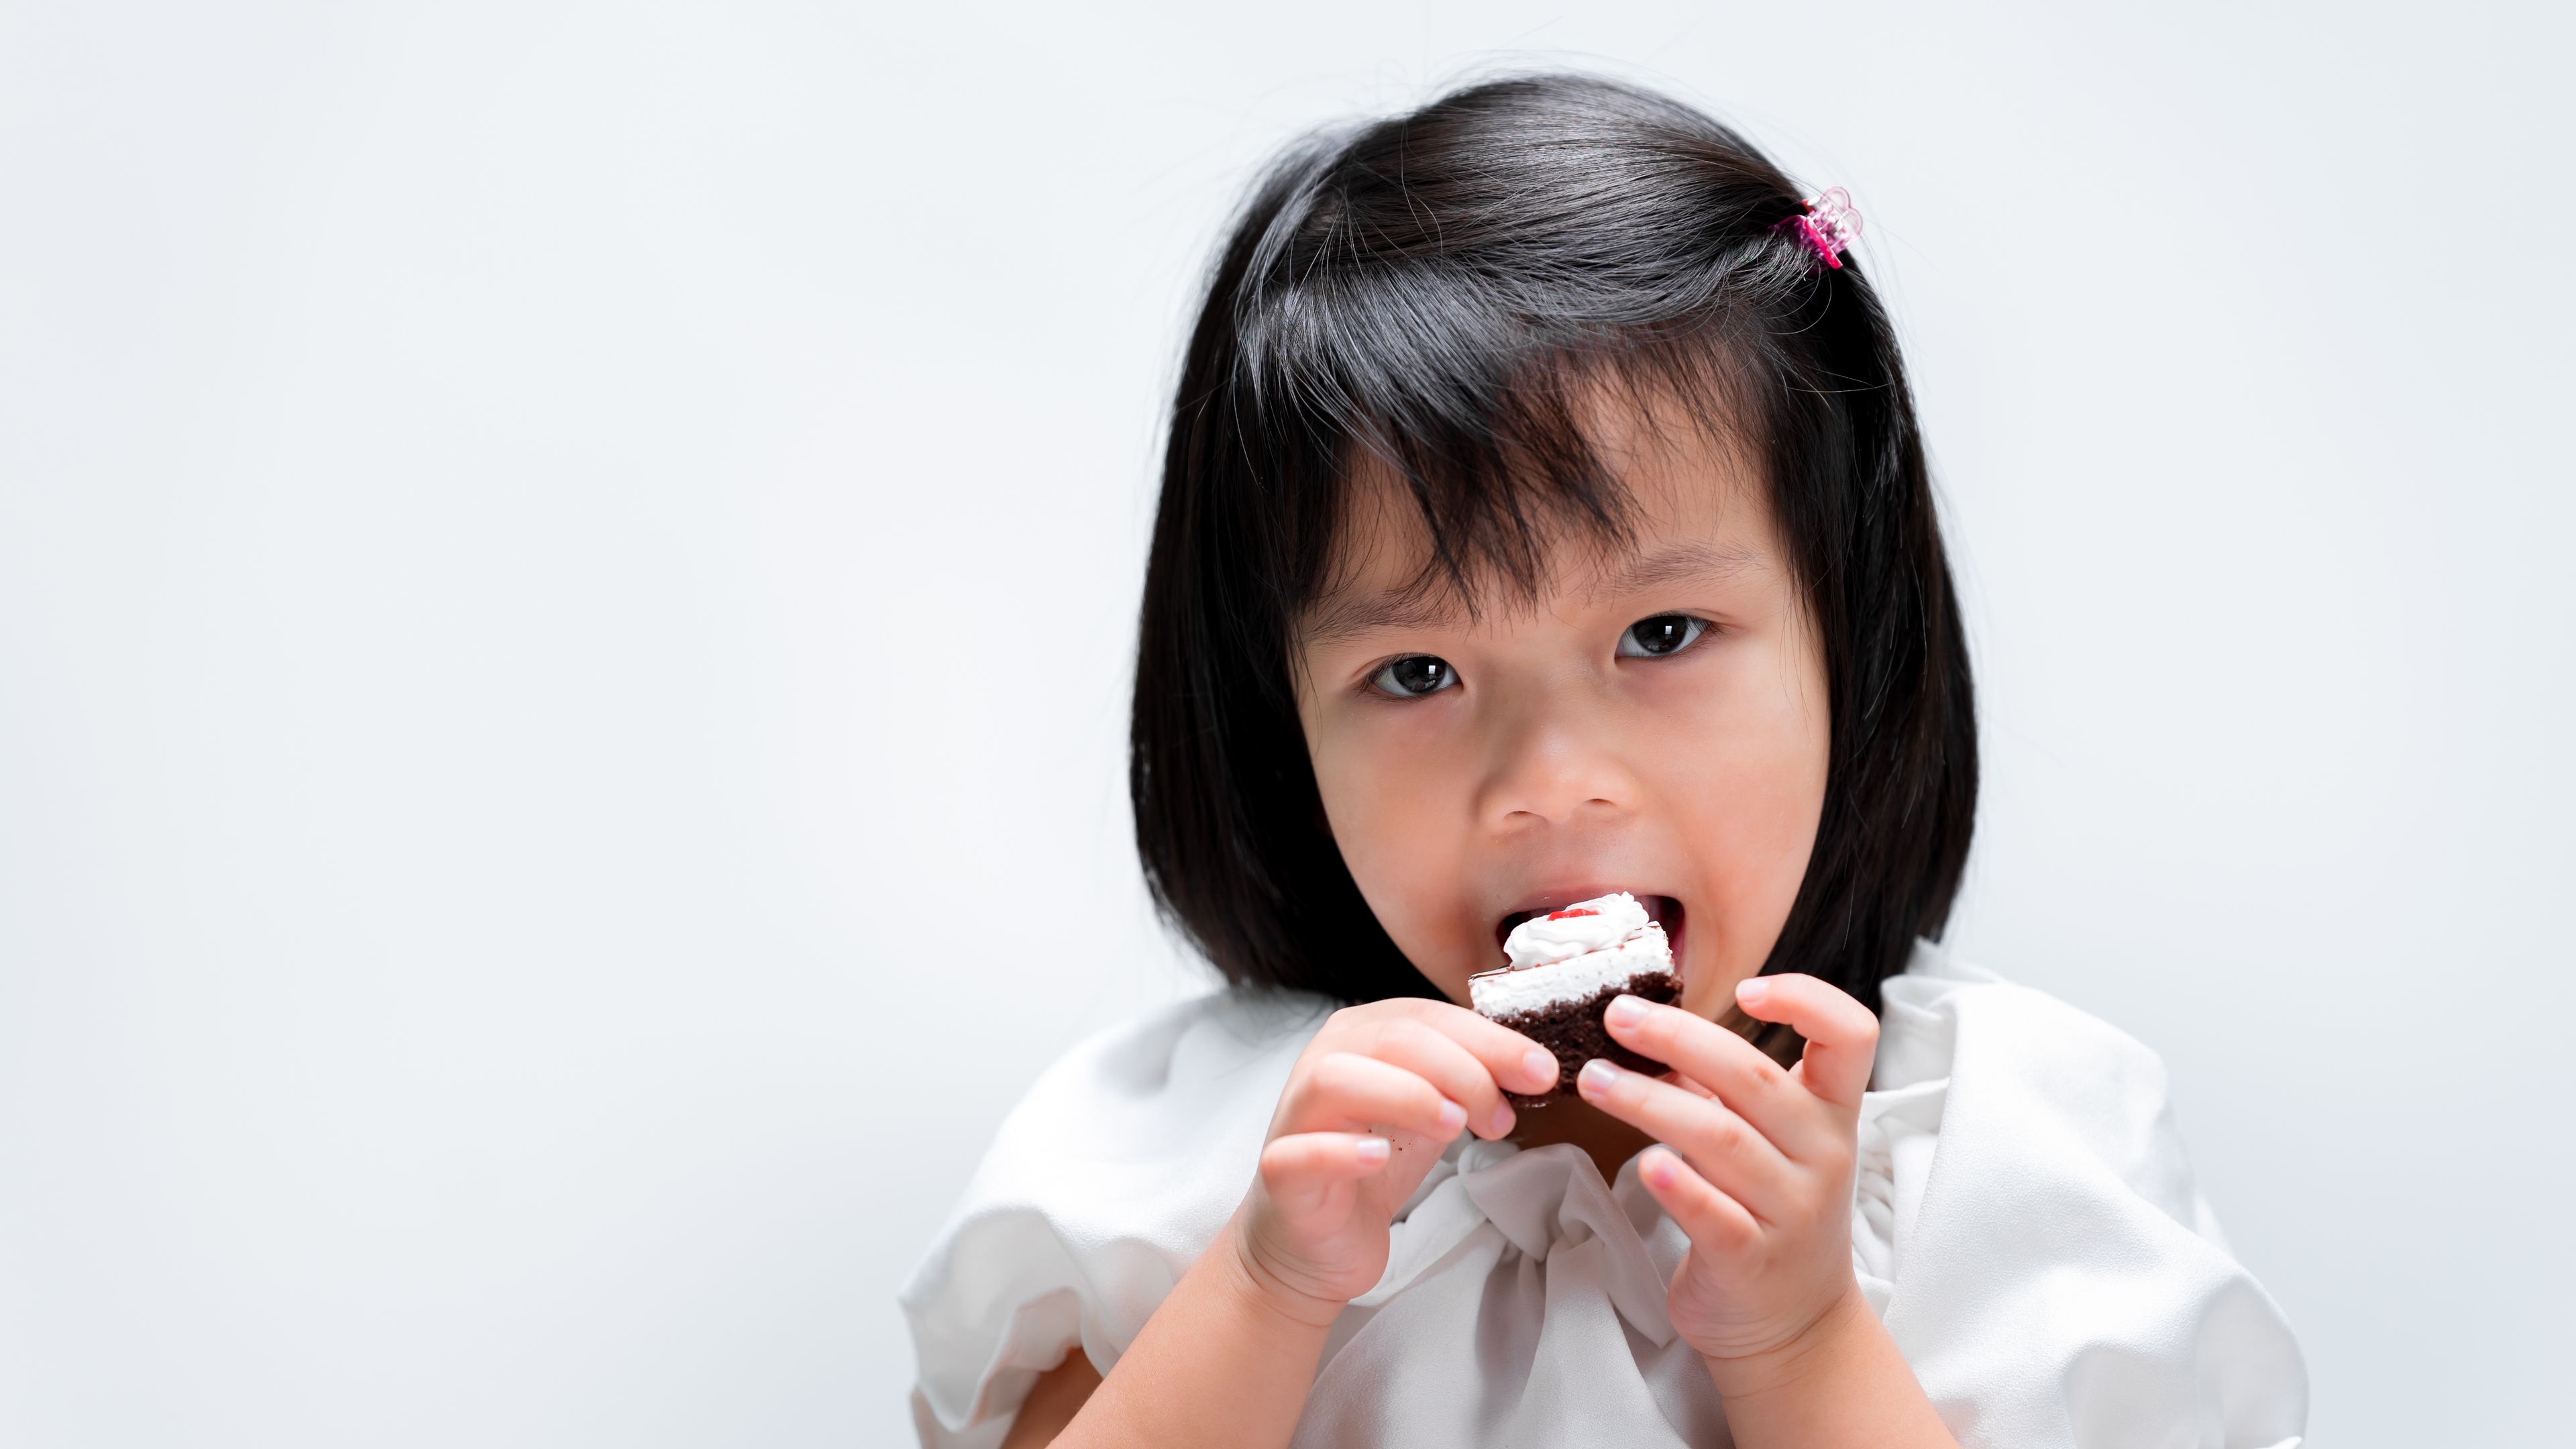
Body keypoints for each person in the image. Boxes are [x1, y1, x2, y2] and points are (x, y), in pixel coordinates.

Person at [902, 74, 2307, 1448]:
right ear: (1278, 726)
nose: (1552, 779)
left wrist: (1800, 1342)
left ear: (1848, 635)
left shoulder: (2007, 1160)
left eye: (1662, 633)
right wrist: (1270, 1287)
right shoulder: (1192, 1160)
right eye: (1417, 674)